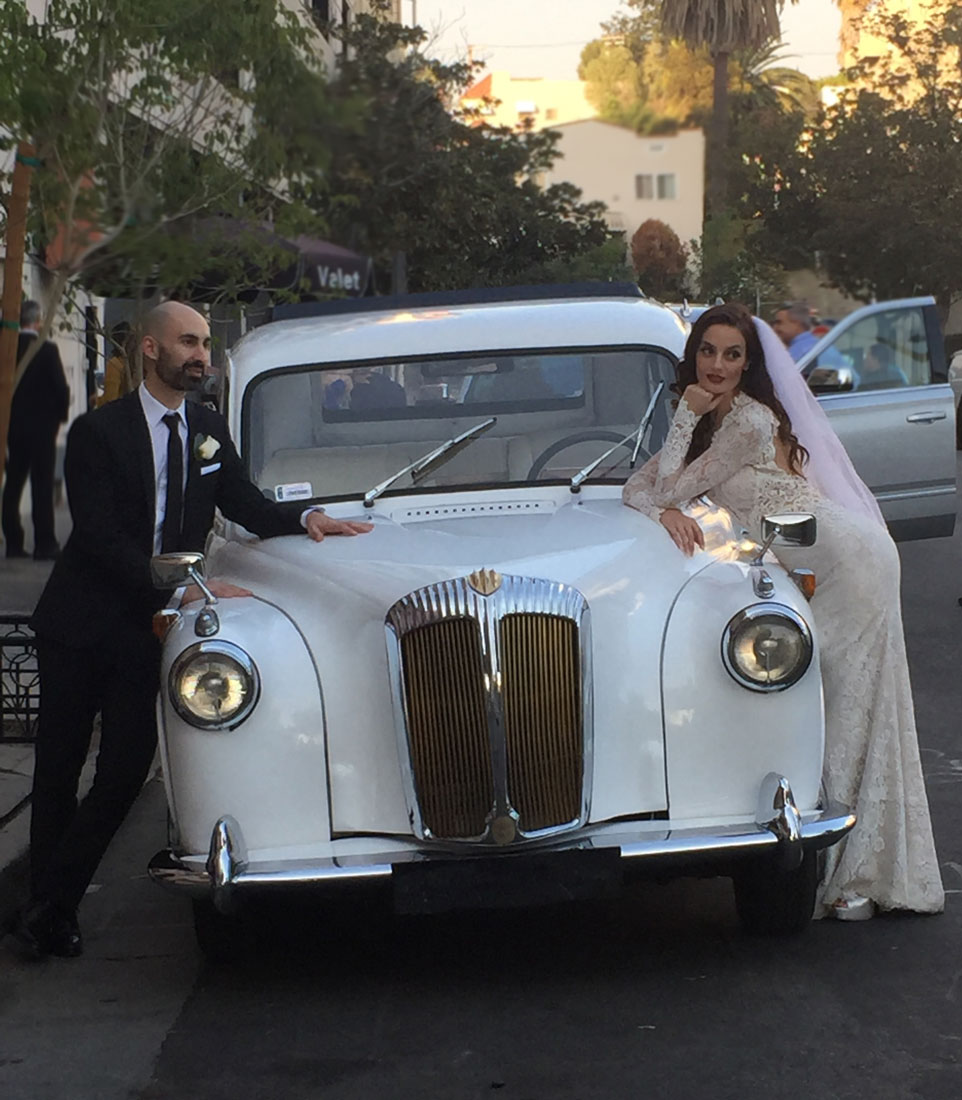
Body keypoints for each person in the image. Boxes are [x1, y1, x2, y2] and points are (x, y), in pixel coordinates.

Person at [8, 301, 373, 959]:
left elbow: (245, 502)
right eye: (188, 342)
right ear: (151, 349)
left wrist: (307, 519)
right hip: (77, 624)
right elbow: (97, 536)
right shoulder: (99, 432)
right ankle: (49, 911)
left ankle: (50, 902)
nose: (201, 355)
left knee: (124, 771)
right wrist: (181, 584)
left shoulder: (206, 429)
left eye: (205, 343)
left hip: (141, 629)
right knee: (58, 772)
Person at [622, 302, 943, 921]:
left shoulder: (746, 420)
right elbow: (642, 487)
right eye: (708, 351)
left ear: (748, 364)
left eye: (732, 354)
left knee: (843, 705)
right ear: (694, 355)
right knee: (839, 702)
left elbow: (667, 486)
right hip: (822, 551)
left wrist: (680, 441)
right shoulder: (714, 418)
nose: (717, 365)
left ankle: (853, 877)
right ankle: (856, 871)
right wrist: (666, 502)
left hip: (850, 557)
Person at [1, 300, 70, 560]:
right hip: (42, 428)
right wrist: (59, 418)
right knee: (42, 485)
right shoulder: (47, 349)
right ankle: (45, 543)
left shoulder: (7, 348)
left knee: (13, 483)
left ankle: (13, 542)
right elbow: (60, 388)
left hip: (13, 427)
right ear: (38, 321)